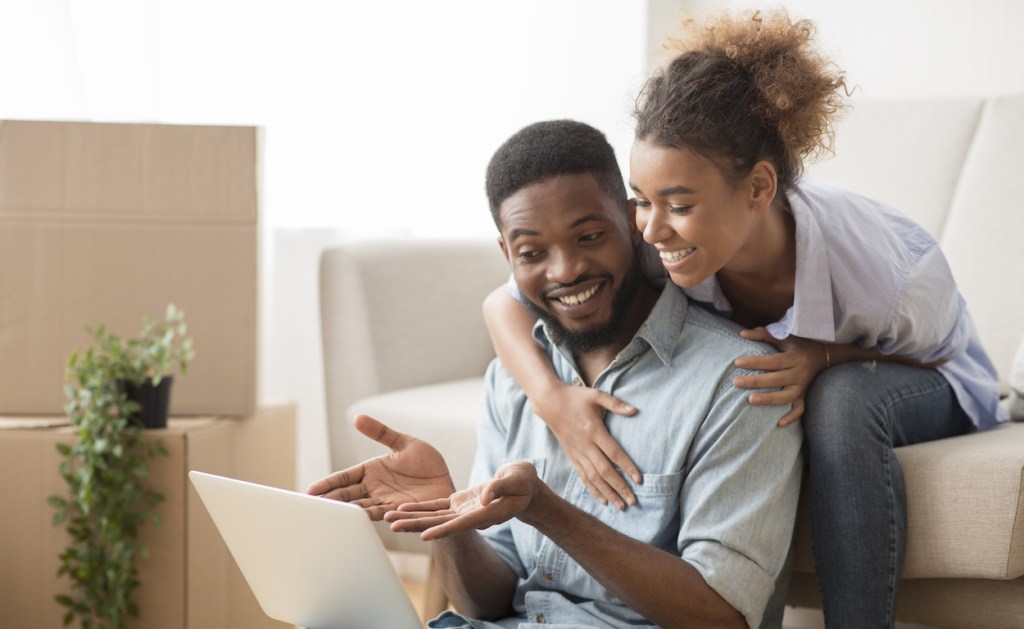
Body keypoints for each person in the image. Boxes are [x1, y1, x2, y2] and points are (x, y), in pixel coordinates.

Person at [482, 10, 1005, 629]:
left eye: (676, 204)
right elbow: (506, 302)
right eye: (642, 203)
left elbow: (934, 356)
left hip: (936, 381)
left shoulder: (889, 274)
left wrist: (824, 356)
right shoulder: (661, 239)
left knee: (838, 400)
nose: (649, 227)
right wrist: (553, 399)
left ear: (759, 189)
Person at [309, 119, 803, 628]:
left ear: (634, 223)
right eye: (532, 253)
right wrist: (448, 515)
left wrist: (545, 510)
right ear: (507, 256)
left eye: (589, 236)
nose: (565, 270)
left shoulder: (740, 380)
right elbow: (486, 604)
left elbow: (723, 618)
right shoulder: (511, 379)